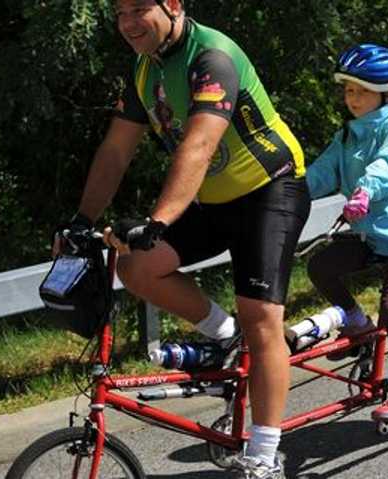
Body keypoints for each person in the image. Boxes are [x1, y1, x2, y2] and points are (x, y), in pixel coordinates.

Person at [53, 1, 309, 477]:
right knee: (137, 268)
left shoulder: (211, 56)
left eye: (139, 9)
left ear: (172, 5)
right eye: (118, 12)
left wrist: (159, 221)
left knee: (261, 316)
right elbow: (116, 148)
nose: (128, 23)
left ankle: (265, 453)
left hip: (269, 190)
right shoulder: (144, 69)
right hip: (212, 199)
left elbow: (200, 144)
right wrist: (81, 220)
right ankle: (227, 337)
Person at [304, 44, 388, 422]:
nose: (353, 98)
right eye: (348, 90)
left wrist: (365, 190)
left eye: (361, 90)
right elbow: (323, 171)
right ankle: (357, 324)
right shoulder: (347, 135)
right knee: (321, 266)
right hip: (368, 235)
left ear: (385, 93)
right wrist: (291, 190)